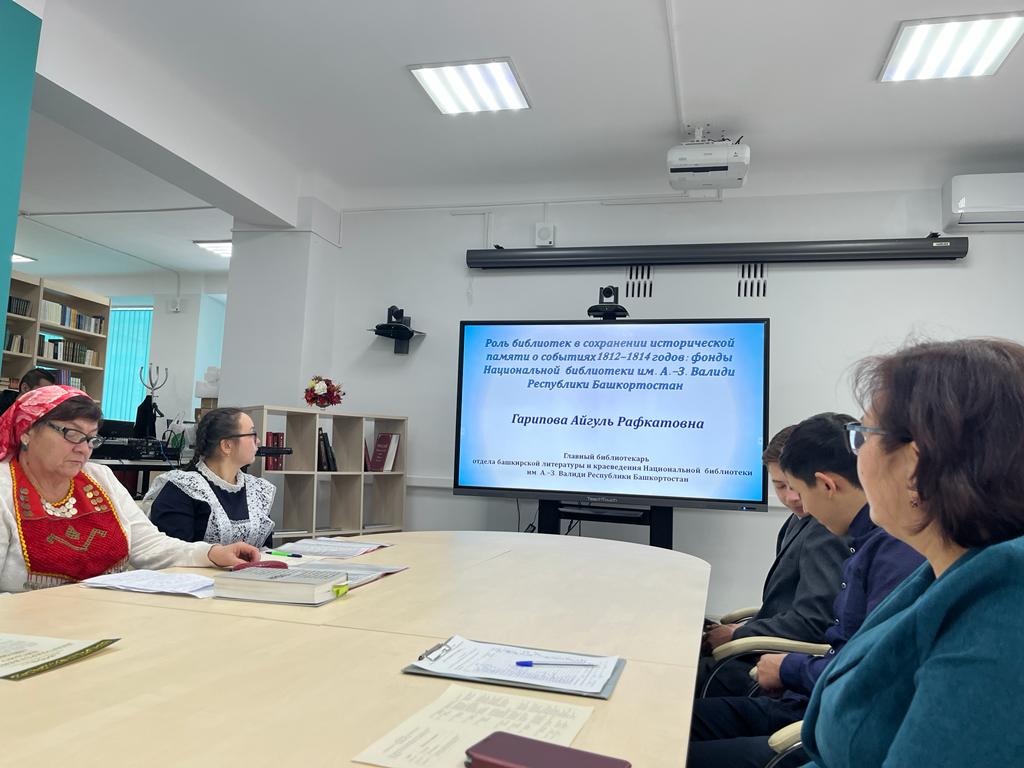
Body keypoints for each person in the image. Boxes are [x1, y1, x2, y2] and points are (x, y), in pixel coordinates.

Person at [801, 339, 1024, 766]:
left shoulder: (1005, 606)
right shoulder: (950, 570)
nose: (856, 455)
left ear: (915, 466)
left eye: (862, 436)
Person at [688, 412, 923, 768]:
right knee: (665, 721)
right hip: (807, 702)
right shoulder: (870, 542)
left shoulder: (891, 552)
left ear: (826, 485)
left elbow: (869, 674)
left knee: (667, 748)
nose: (799, 504)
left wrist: (790, 669)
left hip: (819, 725)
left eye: (797, 489)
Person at [0, 386, 258, 592]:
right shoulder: (4, 489)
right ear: (27, 431)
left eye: (91, 438)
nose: (83, 448)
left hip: (108, 615)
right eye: (71, 433)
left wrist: (212, 553)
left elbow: (148, 545)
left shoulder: (99, 478)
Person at [698, 425, 849, 697]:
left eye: (794, 486)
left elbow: (814, 622)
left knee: (679, 678)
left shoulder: (825, 529)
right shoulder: (799, 519)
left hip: (777, 668)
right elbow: (786, 605)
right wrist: (744, 629)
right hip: (768, 647)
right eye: (780, 486)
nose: (791, 497)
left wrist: (738, 635)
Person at [145, 407, 275, 547]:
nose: (258, 441)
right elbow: (175, 552)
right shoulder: (182, 488)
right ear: (227, 445)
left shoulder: (258, 490)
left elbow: (266, 549)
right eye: (252, 434)